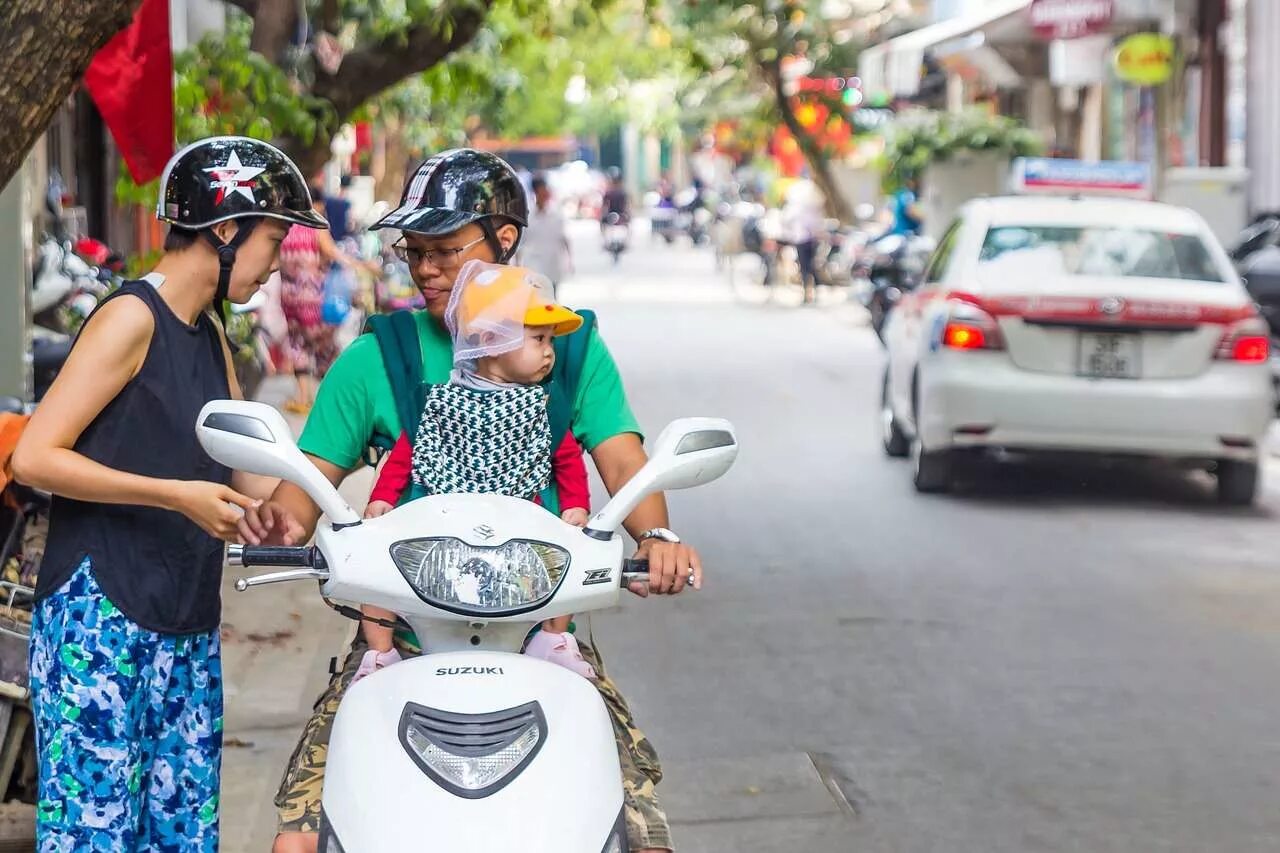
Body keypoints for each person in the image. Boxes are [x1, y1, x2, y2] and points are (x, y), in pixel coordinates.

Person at [238, 148, 700, 853]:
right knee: (299, 838)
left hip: (543, 634)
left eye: (445, 250)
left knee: (641, 831)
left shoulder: (568, 348)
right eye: (414, 252)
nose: (425, 269)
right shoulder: (377, 354)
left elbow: (621, 460)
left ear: (504, 240)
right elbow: (301, 495)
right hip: (401, 636)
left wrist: (658, 540)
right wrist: (270, 514)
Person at [10, 136, 328, 851]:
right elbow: (35, 455)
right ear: (224, 230)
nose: (277, 261)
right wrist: (174, 495)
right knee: (98, 836)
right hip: (102, 623)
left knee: (181, 835)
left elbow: (248, 471)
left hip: (185, 621)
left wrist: (300, 507)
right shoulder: (132, 319)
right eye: (271, 238)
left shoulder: (210, 334)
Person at [357, 262, 596, 681]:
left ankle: (553, 637)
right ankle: (379, 652)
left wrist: (575, 506)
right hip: (441, 535)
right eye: (538, 338)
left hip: (517, 537)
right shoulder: (440, 402)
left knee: (569, 560)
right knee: (374, 573)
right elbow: (407, 453)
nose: (548, 352)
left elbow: (567, 460)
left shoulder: (542, 407)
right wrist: (382, 499)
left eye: (551, 341)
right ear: (489, 339)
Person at [279, 189, 367, 413]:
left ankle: (303, 398)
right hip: (314, 299)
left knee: (298, 346)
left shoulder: (285, 226)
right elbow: (332, 253)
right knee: (325, 350)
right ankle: (334, 400)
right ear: (315, 204)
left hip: (289, 297)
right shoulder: (315, 226)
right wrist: (361, 266)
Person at [518, 174, 572, 289]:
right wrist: (517, 266)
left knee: (552, 299)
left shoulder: (556, 214)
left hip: (553, 263)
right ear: (535, 192)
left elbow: (563, 238)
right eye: (541, 190)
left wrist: (570, 260)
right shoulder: (528, 216)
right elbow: (521, 242)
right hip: (534, 265)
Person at [324, 175, 354, 243]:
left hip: (329, 238)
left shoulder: (328, 200)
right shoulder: (347, 203)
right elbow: (350, 224)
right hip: (342, 239)